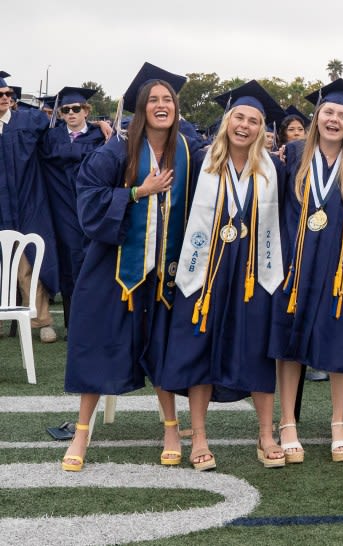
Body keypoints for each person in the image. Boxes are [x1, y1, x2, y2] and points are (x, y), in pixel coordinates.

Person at [61, 63, 200, 471]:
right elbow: (87, 200)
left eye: (168, 100)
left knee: (162, 351)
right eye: (154, 100)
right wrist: (139, 191)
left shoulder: (189, 151)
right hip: (115, 270)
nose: (162, 105)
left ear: (176, 108)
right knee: (100, 346)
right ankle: (81, 434)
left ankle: (172, 429)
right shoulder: (115, 150)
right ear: (141, 109)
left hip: (165, 273)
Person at [162, 80, 288, 469]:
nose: (245, 126)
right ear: (227, 121)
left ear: (262, 129)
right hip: (205, 272)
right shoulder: (201, 161)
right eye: (239, 118)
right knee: (200, 346)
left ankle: (266, 434)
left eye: (253, 121)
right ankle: (199, 436)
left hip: (254, 273)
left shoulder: (275, 169)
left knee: (257, 351)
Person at [270, 78, 343, 464]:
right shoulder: (293, 154)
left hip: (342, 267)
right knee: (289, 339)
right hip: (296, 264)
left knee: (341, 339)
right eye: (328, 112)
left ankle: (338, 422)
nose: (334, 120)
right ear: (318, 116)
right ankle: (288, 423)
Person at [39, 87, 108, 332]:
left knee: (93, 260)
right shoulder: (51, 137)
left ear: (86, 111)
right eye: (65, 110)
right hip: (63, 209)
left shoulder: (100, 137)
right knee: (70, 260)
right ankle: (72, 324)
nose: (71, 114)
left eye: (76, 109)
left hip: (90, 208)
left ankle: (94, 322)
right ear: (60, 114)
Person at [0, 71, 60, 343]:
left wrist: (99, 127)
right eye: (1, 94)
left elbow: (61, 133)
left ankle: (41, 319)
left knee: (28, 263)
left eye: (8, 94)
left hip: (26, 203)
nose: (6, 98)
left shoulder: (29, 121)